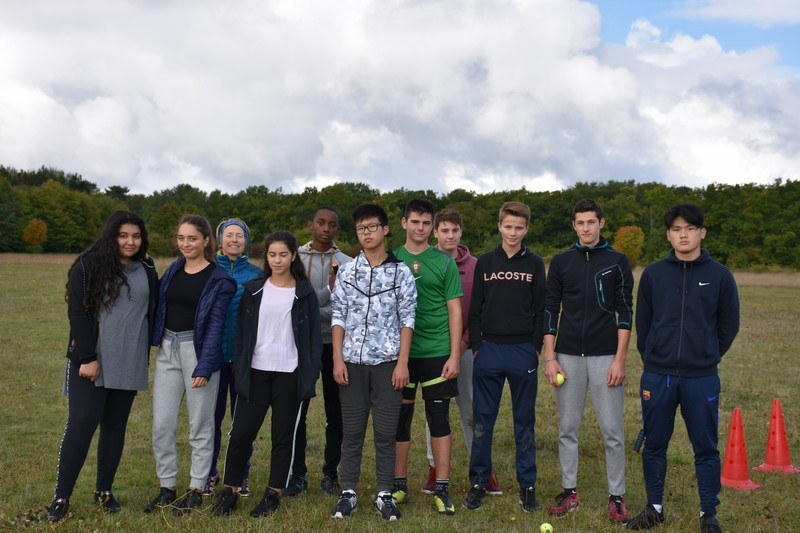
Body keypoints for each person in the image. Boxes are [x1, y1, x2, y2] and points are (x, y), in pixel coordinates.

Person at [627, 204, 739, 533]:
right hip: (658, 374)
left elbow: (728, 325)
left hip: (701, 377)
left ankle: (708, 513)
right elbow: (643, 323)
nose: (684, 235)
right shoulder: (653, 274)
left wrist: (707, 355)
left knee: (705, 447)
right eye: (677, 229)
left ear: (702, 232)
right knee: (655, 444)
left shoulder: (720, 275)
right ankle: (654, 508)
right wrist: (654, 357)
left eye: (690, 228)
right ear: (668, 235)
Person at [45, 211, 158, 523]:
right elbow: (77, 313)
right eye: (123, 235)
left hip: (129, 360)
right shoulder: (88, 264)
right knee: (82, 424)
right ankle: (61, 497)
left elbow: (152, 310)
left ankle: (104, 491)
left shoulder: (147, 268)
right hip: (93, 360)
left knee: (115, 427)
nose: (130, 242)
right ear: (112, 236)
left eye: (136, 236)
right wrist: (86, 358)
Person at [211, 231, 322, 517]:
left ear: (293, 256)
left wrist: (309, 374)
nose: (277, 260)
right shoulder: (253, 289)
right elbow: (242, 334)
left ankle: (273, 494)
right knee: (241, 433)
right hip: (256, 373)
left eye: (283, 254)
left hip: (290, 375)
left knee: (282, 437)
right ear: (266, 257)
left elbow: (313, 338)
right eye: (272, 255)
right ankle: (230, 490)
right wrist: (240, 367)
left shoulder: (304, 292)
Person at [542, 199, 633, 524]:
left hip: (606, 355)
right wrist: (550, 357)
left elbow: (625, 311)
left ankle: (617, 496)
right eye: (580, 223)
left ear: (601, 223)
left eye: (591, 222)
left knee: (612, 430)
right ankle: (569, 492)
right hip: (567, 356)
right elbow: (550, 309)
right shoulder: (562, 262)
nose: (585, 228)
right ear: (574, 225)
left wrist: (620, 359)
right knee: (568, 428)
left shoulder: (617, 261)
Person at [329, 203, 417, 522]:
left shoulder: (400, 272)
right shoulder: (347, 271)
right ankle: (348, 492)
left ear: (385, 229)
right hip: (352, 363)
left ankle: (384, 493)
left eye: (372, 227)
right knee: (352, 432)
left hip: (388, 364)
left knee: (385, 432)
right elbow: (338, 315)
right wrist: (337, 359)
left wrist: (402, 363)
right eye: (361, 229)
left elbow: (407, 318)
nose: (367, 233)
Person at [145, 214, 235, 515]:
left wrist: (205, 366)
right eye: (181, 238)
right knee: (162, 425)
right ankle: (167, 487)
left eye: (192, 238)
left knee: (200, 425)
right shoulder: (173, 270)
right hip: (167, 350)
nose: (185, 244)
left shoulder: (220, 280)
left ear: (207, 240)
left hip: (198, 353)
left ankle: (196, 488)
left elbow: (216, 325)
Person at [464, 201, 546, 513]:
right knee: (483, 420)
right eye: (508, 226)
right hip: (489, 350)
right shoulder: (485, 262)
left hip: (522, 350)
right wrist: (477, 346)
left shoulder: (535, 263)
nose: (513, 233)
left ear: (527, 229)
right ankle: (478, 482)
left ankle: (527, 486)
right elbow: (475, 309)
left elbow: (541, 308)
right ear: (499, 226)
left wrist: (535, 347)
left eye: (519, 228)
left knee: (524, 422)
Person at [419, 209, 504, 496]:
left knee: (472, 411)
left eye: (455, 230)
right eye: (444, 230)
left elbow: (482, 309)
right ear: (435, 232)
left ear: (461, 232)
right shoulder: (425, 261)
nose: (450, 236)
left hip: (466, 350)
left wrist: (464, 343)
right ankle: (434, 470)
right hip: (433, 350)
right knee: (435, 413)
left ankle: (482, 471)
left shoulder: (476, 266)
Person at [392, 198, 462, 516]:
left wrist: (454, 355)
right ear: (404, 223)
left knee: (439, 419)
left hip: (437, 352)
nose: (420, 228)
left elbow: (454, 310)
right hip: (400, 355)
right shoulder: (392, 259)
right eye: (415, 222)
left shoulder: (444, 262)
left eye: (425, 223)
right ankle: (399, 485)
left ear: (431, 226)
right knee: (401, 419)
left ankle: (442, 487)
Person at [285, 206, 352, 497]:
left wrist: (314, 311)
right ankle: (297, 474)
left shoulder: (348, 263)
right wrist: (323, 303)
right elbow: (295, 304)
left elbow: (345, 309)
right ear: (310, 224)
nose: (326, 228)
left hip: (337, 345)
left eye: (332, 224)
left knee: (336, 412)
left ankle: (330, 474)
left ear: (338, 229)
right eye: (321, 223)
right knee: (298, 410)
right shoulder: (295, 259)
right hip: (301, 344)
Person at [204, 218, 263, 497]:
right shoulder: (208, 270)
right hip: (214, 358)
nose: (234, 240)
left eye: (240, 235)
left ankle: (240, 475)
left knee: (242, 423)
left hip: (244, 360)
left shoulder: (256, 274)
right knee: (210, 421)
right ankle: (208, 473)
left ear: (245, 241)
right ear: (220, 240)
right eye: (229, 235)